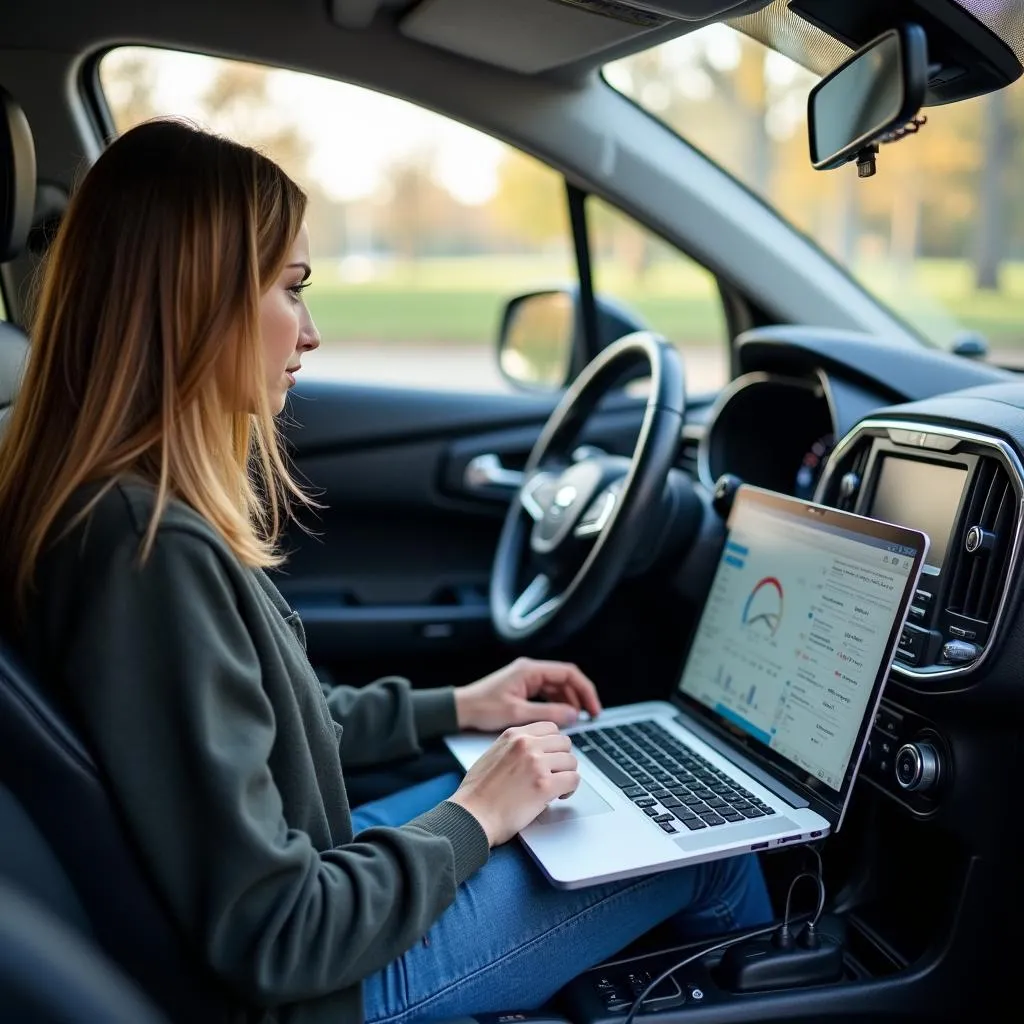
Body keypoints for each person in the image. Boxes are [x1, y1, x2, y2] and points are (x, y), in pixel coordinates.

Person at [0, 119, 772, 1024]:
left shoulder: (117, 508)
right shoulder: (146, 549)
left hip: (326, 888)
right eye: (291, 289)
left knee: (605, 800)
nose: (313, 332)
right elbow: (279, 931)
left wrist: (465, 707)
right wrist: (478, 815)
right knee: (709, 849)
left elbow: (269, 733)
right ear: (193, 304)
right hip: (328, 982)